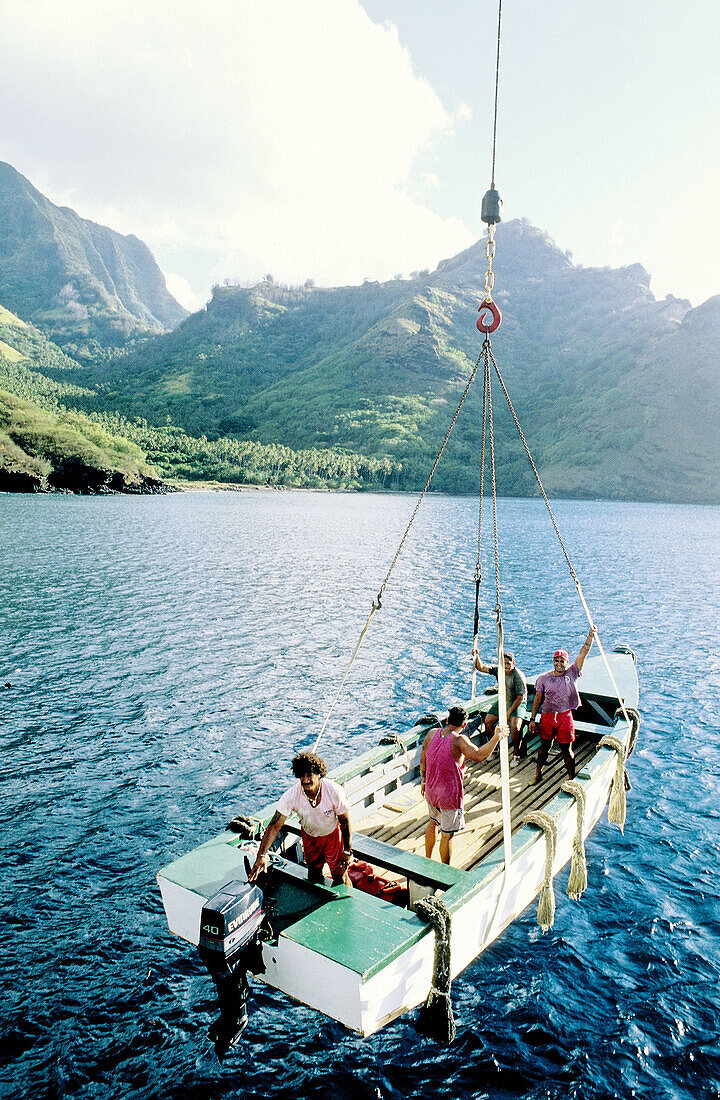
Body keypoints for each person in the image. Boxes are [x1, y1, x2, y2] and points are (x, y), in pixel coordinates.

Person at [248, 751, 353, 886]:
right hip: (310, 837)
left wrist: (347, 851)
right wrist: (261, 855)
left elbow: (345, 821)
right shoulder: (291, 796)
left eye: (309, 775)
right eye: (301, 776)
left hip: (332, 836)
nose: (305, 780)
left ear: (319, 774)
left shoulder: (334, 791)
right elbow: (274, 825)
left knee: (340, 877)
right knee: (314, 875)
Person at [420, 704, 503, 866]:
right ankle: (445, 870)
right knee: (447, 835)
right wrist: (496, 737)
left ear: (447, 719)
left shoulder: (431, 734)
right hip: (448, 797)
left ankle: (427, 860)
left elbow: (423, 759)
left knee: (432, 822)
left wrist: (424, 781)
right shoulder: (459, 740)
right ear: (464, 725)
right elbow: (479, 756)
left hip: (431, 791)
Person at [527, 627, 597, 785]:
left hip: (565, 716)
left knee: (567, 750)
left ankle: (571, 778)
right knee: (544, 747)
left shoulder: (572, 672)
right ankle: (538, 774)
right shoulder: (543, 679)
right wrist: (533, 719)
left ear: (567, 662)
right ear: (553, 661)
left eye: (562, 661)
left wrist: (590, 636)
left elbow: (583, 652)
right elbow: (538, 699)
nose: (559, 664)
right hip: (547, 716)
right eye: (556, 661)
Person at [472, 649, 528, 766]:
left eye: (508, 663)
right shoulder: (499, 670)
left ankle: (516, 754)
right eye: (504, 662)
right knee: (488, 721)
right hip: (502, 700)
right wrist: (476, 655)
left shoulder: (518, 676)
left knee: (515, 726)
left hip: (517, 702)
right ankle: (494, 748)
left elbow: (520, 698)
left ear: (513, 663)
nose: (506, 665)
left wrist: (508, 713)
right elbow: (480, 667)